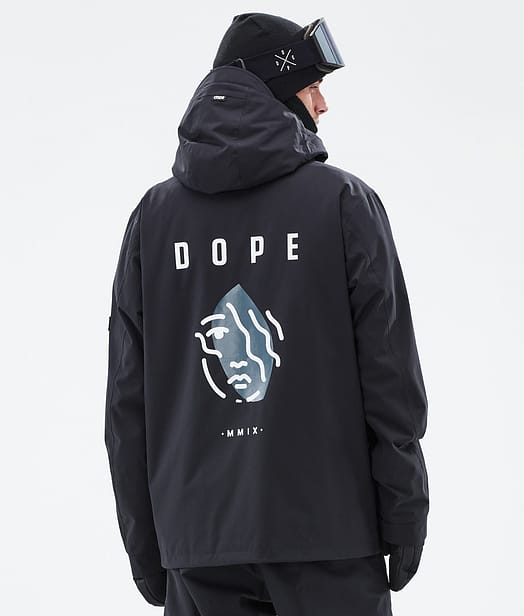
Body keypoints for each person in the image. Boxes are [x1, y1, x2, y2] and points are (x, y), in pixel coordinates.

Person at [104, 12, 430, 616]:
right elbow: (389, 382)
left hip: (199, 547)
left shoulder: (153, 220)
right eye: (312, 86)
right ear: (277, 92)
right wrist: (404, 514)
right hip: (331, 541)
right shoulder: (343, 203)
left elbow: (127, 403)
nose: (323, 104)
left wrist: (147, 549)